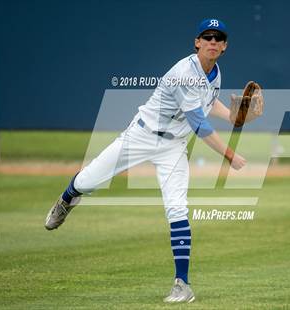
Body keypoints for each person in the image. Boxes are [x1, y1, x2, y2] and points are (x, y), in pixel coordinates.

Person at [44, 18, 246, 303]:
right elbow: (200, 126)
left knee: (177, 209)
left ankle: (182, 285)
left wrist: (234, 116)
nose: (212, 42)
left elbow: (209, 104)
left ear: (224, 46)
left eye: (218, 38)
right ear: (197, 42)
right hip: (141, 135)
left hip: (173, 147)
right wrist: (230, 156)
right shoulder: (183, 73)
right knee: (88, 180)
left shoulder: (215, 73)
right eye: (207, 37)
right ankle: (66, 199)